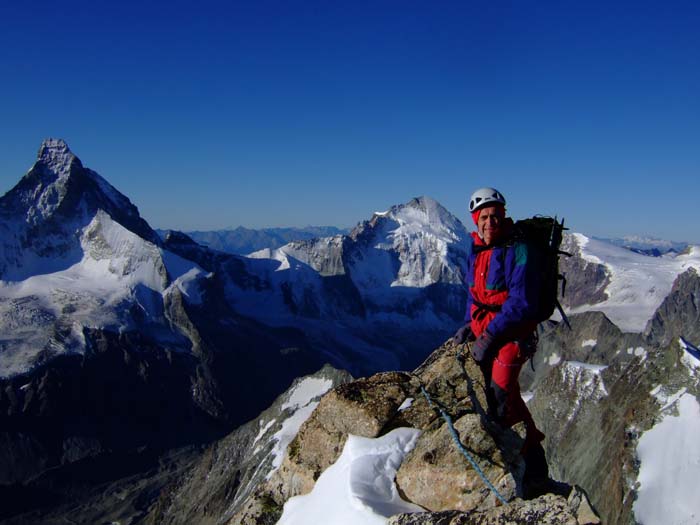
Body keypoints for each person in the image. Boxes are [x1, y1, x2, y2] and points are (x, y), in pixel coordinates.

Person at [453, 187, 548, 486]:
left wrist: (489, 337)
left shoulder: (518, 249)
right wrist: (470, 323)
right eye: (484, 217)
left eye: (495, 216)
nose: (490, 222)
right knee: (506, 395)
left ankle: (529, 464)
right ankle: (526, 450)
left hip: (512, 335)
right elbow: (474, 291)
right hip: (486, 327)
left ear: (504, 216)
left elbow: (521, 303)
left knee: (500, 395)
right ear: (475, 220)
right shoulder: (476, 247)